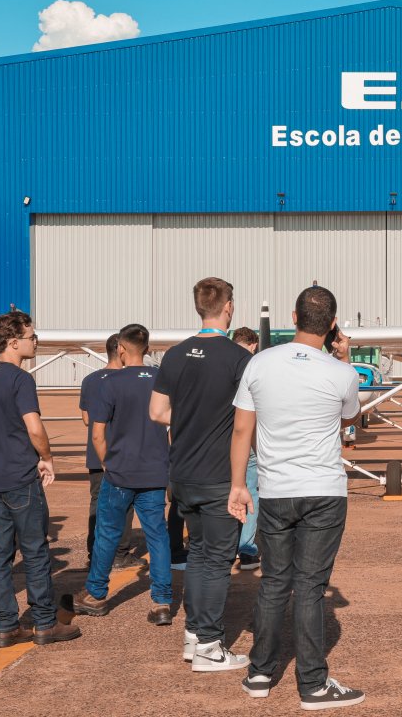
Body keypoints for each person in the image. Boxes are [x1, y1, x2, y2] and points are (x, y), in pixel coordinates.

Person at [228, 285, 366, 707]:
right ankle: (313, 684)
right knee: (309, 587)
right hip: (324, 490)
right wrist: (344, 359)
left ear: (293, 316)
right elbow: (351, 418)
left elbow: (242, 429)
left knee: (274, 583)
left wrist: (238, 484)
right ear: (333, 324)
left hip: (275, 490)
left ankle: (260, 673)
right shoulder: (342, 373)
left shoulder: (259, 363)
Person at [0, 311, 80, 646]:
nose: (36, 342)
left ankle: (6, 626)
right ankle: (44, 623)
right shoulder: (21, 380)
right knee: (35, 551)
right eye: (32, 337)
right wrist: (47, 458)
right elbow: (34, 427)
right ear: (13, 342)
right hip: (21, 479)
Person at [150, 277, 253, 671]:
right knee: (217, 560)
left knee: (197, 554)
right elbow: (248, 420)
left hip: (183, 473)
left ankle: (195, 635)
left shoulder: (174, 355)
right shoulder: (238, 358)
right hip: (218, 475)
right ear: (228, 307)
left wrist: (190, 420)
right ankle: (210, 644)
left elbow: (158, 412)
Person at [72, 324, 173, 625]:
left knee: (107, 533)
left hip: (120, 471)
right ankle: (162, 601)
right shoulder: (162, 379)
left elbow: (97, 433)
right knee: (158, 535)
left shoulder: (109, 383)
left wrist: (107, 463)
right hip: (155, 471)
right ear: (147, 348)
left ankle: (96, 594)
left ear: (121, 349)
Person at [80, 334, 136, 569]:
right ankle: (120, 554)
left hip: (96, 452)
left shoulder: (90, 380)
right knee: (125, 504)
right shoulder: (129, 379)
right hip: (123, 452)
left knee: (97, 502)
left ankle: (95, 551)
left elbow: (86, 419)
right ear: (122, 350)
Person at [231, 326, 261, 571]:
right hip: (249, 436)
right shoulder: (255, 366)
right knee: (251, 491)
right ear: (253, 345)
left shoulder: (221, 364)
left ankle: (224, 546)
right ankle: (246, 548)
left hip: (220, 438)